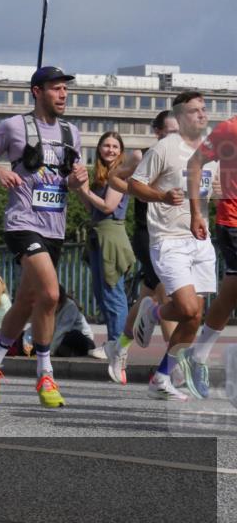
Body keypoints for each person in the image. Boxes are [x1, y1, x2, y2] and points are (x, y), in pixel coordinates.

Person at [0, 66, 88, 407]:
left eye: (65, 89)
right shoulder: (14, 126)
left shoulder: (72, 133)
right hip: (22, 223)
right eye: (56, 89)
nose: (63, 95)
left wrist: (77, 179)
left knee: (26, 301)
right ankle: (45, 373)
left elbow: (66, 180)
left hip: (55, 228)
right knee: (50, 295)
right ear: (37, 91)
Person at [129, 91, 218, 400]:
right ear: (181, 117)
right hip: (168, 239)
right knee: (187, 308)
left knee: (195, 316)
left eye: (204, 110)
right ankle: (154, 311)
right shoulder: (165, 148)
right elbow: (135, 185)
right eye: (194, 111)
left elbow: (209, 189)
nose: (202, 115)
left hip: (200, 240)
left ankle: (162, 375)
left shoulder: (212, 151)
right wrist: (163, 196)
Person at [105, 111, 180, 384]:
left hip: (174, 236)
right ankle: (173, 369)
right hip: (148, 235)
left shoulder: (185, 158)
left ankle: (120, 346)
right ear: (158, 132)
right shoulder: (142, 156)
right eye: (170, 131)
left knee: (148, 297)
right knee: (169, 297)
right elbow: (114, 179)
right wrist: (136, 188)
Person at [185, 113, 237, 400]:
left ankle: (199, 355)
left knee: (230, 292)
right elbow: (195, 162)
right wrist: (195, 212)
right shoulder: (229, 128)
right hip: (233, 221)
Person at [75, 131, 134, 362]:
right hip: (99, 233)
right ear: (99, 149)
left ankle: (117, 345)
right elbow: (93, 209)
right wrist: (81, 188)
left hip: (111, 234)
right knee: (102, 293)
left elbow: (108, 207)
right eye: (106, 145)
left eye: (115, 146)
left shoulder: (120, 174)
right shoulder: (102, 174)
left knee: (112, 293)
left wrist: (85, 190)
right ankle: (113, 343)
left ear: (121, 151)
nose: (110, 150)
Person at [23, 285, 96, 357]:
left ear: (59, 302)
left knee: (72, 336)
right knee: (25, 337)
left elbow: (62, 331)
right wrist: (27, 344)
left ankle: (57, 352)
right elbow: (33, 328)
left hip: (79, 340)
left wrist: (48, 353)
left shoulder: (70, 307)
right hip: (57, 341)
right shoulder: (44, 307)